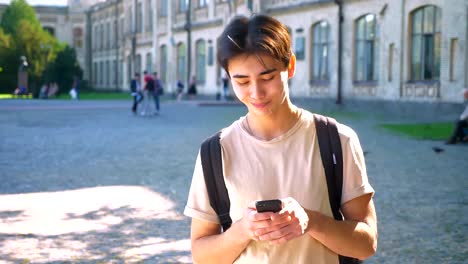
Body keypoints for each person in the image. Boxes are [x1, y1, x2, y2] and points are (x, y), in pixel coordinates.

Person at [184, 15, 377, 263]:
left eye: (267, 77)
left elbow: (367, 244)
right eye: (241, 81)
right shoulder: (215, 152)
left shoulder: (338, 140)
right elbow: (202, 255)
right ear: (228, 77)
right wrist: (242, 230)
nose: (256, 93)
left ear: (291, 66)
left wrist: (310, 221)